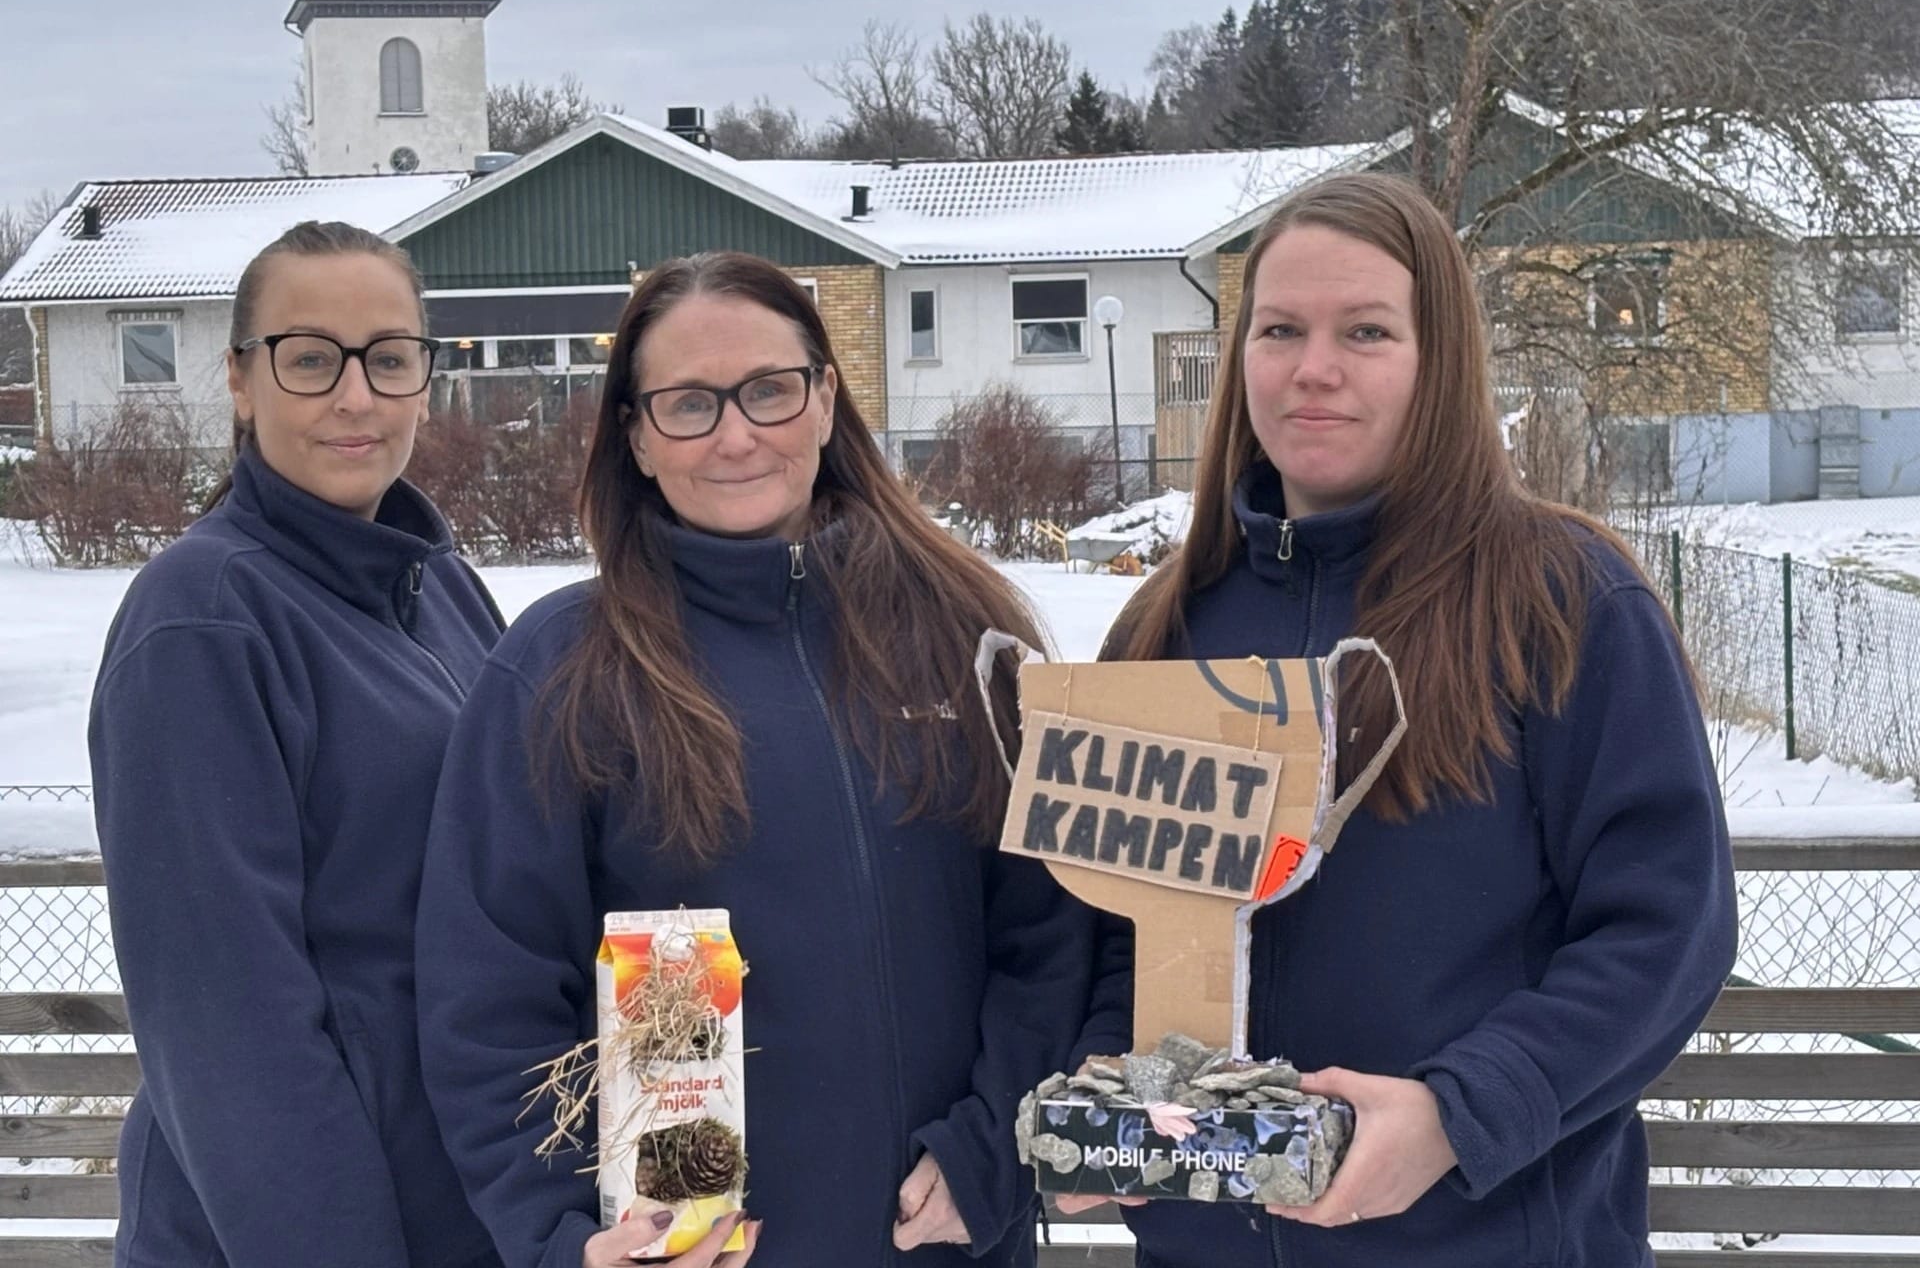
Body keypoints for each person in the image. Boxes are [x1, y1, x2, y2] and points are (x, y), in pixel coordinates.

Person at [1068, 173, 1736, 1267]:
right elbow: (1115, 923)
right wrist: (1108, 1081)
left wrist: (1458, 1113)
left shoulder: (1562, 600)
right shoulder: (1167, 619)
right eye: (1280, 329)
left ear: (1440, 361)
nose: (1313, 368)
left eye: (1366, 330)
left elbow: (1667, 929)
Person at [414, 251, 1115, 1268]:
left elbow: (1049, 931)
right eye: (689, 403)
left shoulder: (966, 634)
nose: (737, 434)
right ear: (637, 436)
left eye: (769, 391)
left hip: (944, 1240)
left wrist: (994, 1149)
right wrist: (565, 1237)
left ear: (827, 400)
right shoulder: (562, 670)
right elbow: (487, 998)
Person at [88, 221, 507, 1267]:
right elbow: (231, 1029)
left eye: (388, 357)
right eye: (310, 358)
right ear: (241, 379)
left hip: (462, 1209)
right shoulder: (204, 621)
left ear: (423, 376)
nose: (355, 396)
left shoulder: (437, 583)